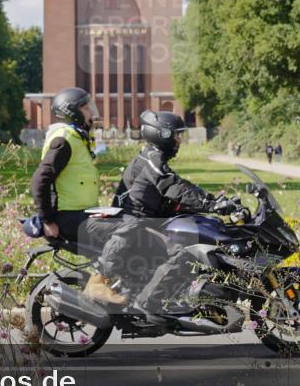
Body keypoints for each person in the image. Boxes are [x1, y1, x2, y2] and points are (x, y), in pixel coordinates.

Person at [108, 110, 241, 314]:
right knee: (184, 252)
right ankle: (147, 304)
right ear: (162, 134)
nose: (179, 140)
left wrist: (212, 202)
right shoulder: (153, 159)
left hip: (141, 221)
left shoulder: (152, 157)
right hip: (135, 224)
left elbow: (176, 190)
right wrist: (210, 203)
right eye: (176, 135)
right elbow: (173, 186)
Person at [29, 87, 126, 304]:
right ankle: (97, 284)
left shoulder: (76, 138)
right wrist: (48, 220)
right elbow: (39, 181)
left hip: (82, 214)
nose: (91, 112)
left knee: (133, 222)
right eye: (85, 107)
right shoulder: (63, 140)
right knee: (130, 228)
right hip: (68, 218)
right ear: (72, 112)